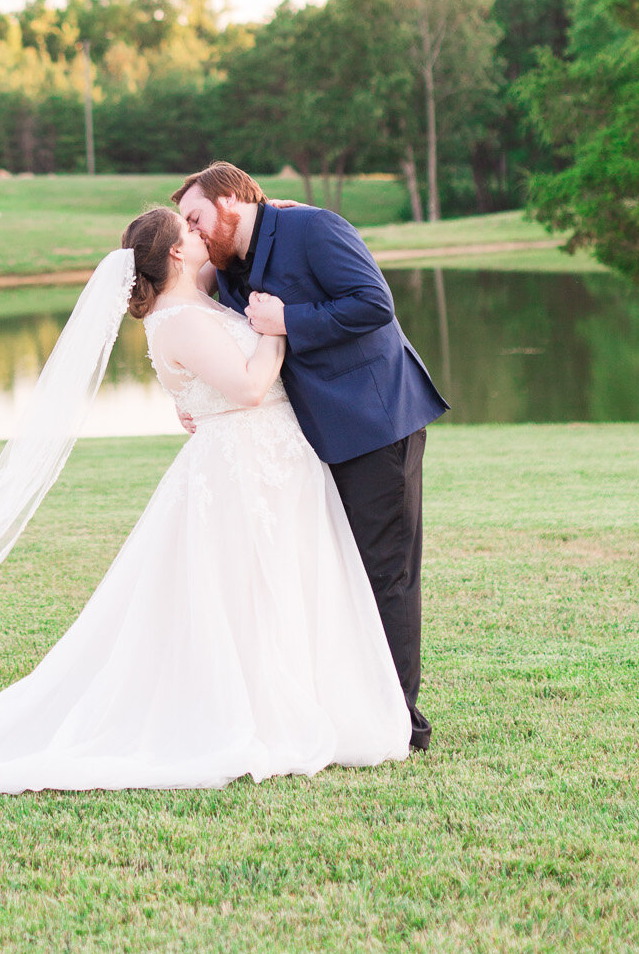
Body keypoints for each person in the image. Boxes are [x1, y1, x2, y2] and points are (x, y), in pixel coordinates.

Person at [0, 207, 410, 793]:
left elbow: (216, 364)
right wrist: (275, 332)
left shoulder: (204, 302)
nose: (201, 233)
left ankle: (308, 697)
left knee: (285, 583)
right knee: (246, 591)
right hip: (241, 470)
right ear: (178, 255)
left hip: (273, 464)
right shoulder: (176, 318)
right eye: (189, 230)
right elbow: (243, 389)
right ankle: (255, 711)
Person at [172, 162, 447, 751]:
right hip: (314, 440)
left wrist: (288, 320)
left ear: (228, 203)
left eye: (195, 218)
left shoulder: (316, 229)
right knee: (339, 573)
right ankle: (351, 708)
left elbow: (374, 304)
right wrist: (188, 395)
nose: (192, 232)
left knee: (385, 577)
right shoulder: (228, 269)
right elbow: (202, 334)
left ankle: (399, 724)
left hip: (377, 425)